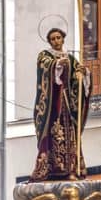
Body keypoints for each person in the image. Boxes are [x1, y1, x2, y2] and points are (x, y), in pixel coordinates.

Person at [30, 27, 91, 181]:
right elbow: (45, 68)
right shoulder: (45, 56)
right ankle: (52, 169)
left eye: (58, 38)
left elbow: (77, 80)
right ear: (50, 41)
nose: (56, 41)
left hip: (68, 107)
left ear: (63, 39)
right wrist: (56, 65)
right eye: (53, 39)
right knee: (53, 137)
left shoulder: (70, 59)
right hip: (53, 108)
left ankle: (72, 169)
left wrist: (83, 75)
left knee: (71, 138)